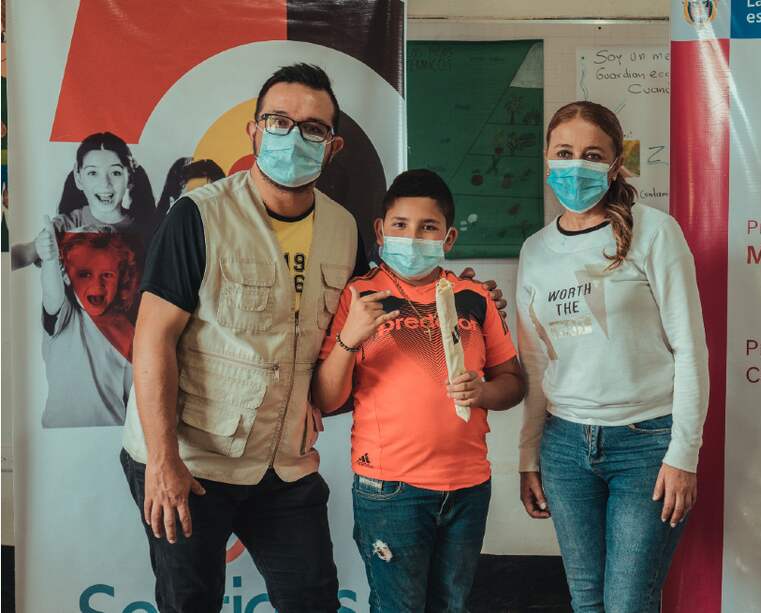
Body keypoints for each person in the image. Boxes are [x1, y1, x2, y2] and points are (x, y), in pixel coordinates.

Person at [119, 64, 506, 613]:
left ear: (332, 146)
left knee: (313, 598)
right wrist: (162, 461)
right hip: (191, 456)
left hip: (283, 461)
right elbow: (153, 338)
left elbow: (388, 294)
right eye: (278, 121)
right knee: (190, 602)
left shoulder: (344, 229)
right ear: (254, 131)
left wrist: (464, 294)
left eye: (313, 128)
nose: (293, 137)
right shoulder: (198, 217)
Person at [517, 101, 709, 613]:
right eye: (564, 153)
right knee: (586, 600)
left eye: (592, 154)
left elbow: (691, 348)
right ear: (547, 157)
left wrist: (684, 454)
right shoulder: (535, 250)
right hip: (564, 447)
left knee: (628, 603)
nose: (575, 165)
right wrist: (528, 457)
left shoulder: (655, 231)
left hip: (645, 445)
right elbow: (535, 362)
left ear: (615, 164)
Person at [312, 169, 525, 612]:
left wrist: (483, 393)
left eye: (428, 227)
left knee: (452, 606)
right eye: (400, 225)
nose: (412, 237)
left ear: (448, 238)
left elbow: (513, 383)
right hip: (391, 488)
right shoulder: (360, 295)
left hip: (468, 486)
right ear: (380, 231)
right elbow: (328, 399)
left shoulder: (474, 296)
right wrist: (350, 338)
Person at [10, 132, 156, 270]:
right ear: (78, 177)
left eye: (115, 173)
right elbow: (16, 258)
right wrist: (37, 247)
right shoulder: (65, 226)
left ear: (129, 178)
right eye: (93, 173)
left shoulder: (144, 228)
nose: (105, 183)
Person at [40, 228, 140, 427]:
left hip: (111, 432)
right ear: (66, 276)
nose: (97, 284)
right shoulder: (66, 314)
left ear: (121, 278)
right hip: (60, 434)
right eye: (85, 274)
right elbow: (52, 295)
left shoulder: (127, 330)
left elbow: (133, 398)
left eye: (107, 275)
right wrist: (50, 261)